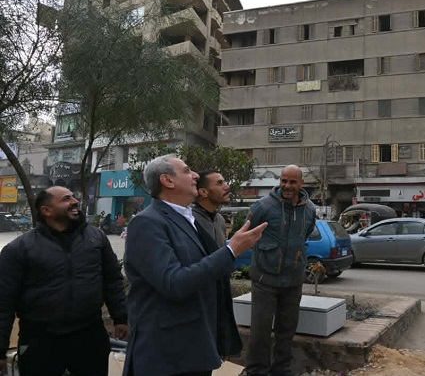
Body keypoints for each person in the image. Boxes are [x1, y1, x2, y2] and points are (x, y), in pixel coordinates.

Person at [123, 155, 267, 376]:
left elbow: (202, 272)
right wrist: (231, 250)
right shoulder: (147, 223)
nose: (196, 175)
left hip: (194, 347)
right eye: (187, 170)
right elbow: (174, 282)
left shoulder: (185, 218)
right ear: (167, 181)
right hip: (167, 354)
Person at [0, 186, 128, 376]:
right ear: (47, 211)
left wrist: (120, 318)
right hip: (40, 340)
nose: (75, 202)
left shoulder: (96, 238)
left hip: (89, 335)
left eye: (74, 197)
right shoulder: (20, 249)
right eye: (66, 199)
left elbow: (112, 280)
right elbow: (4, 301)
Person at [244, 165, 317, 376]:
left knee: (287, 331)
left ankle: (281, 370)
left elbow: (305, 234)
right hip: (265, 281)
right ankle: (256, 372)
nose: (287, 186)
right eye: (284, 180)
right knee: (260, 332)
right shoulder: (263, 206)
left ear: (301, 184)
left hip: (293, 281)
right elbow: (247, 234)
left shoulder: (310, 209)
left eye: (292, 182)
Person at [192, 170, 242, 358]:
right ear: (203, 192)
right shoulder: (190, 220)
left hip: (221, 289)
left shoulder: (220, 220)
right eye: (220, 183)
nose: (226, 186)